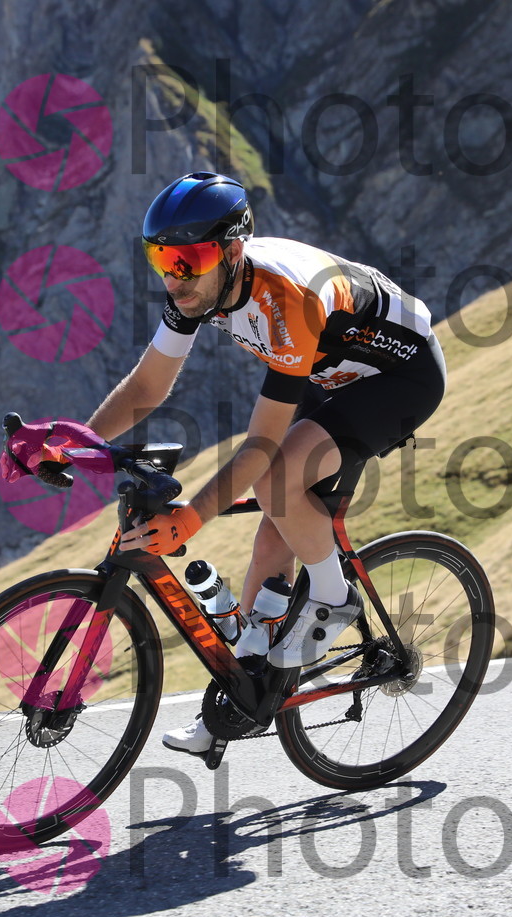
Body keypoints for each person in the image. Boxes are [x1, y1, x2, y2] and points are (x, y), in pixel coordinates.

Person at [72, 171, 448, 754]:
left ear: (231, 252)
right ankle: (239, 695)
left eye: (188, 260)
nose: (174, 277)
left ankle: (334, 596)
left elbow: (260, 445)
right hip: (333, 373)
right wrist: (79, 443)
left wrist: (191, 518)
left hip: (399, 377)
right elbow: (147, 387)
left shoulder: (283, 298)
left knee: (276, 480)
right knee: (273, 536)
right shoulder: (199, 287)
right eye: (161, 259)